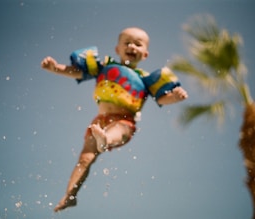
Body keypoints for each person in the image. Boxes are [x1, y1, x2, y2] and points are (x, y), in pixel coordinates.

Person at [41, 27, 188, 212]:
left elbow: (161, 98)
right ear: (117, 49)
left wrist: (174, 96)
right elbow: (78, 72)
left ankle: (106, 140)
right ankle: (70, 195)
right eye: (127, 42)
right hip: (100, 120)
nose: (132, 46)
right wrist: (56, 68)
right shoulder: (104, 68)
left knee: (117, 130)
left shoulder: (145, 79)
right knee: (84, 159)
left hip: (125, 122)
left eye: (137, 44)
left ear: (145, 54)